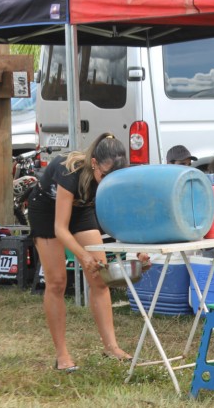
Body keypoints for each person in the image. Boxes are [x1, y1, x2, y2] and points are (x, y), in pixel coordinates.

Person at [28, 133, 130, 372]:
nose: (107, 182)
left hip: (81, 209)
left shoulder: (112, 174)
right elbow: (60, 229)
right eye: (104, 176)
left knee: (100, 277)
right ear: (94, 162)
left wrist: (137, 251)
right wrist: (83, 256)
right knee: (57, 282)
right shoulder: (70, 172)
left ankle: (111, 346)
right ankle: (62, 355)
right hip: (47, 211)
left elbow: (122, 219)